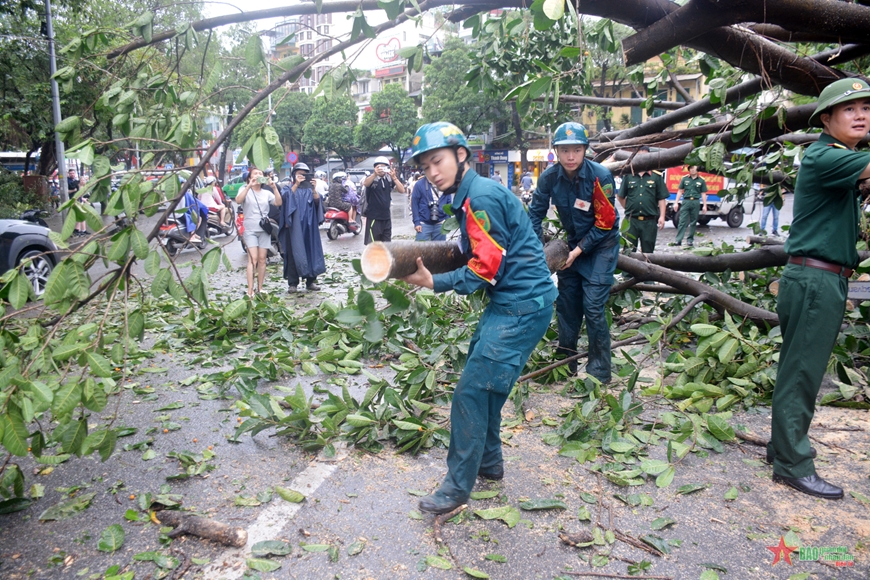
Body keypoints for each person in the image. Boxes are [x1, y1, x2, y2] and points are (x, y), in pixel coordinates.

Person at [401, 122, 557, 515]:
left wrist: (433, 281)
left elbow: (483, 270)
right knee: (484, 381)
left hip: (521, 307)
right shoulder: (470, 196)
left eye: (437, 161)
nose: (433, 173)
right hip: (514, 303)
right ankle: (489, 463)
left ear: (461, 155)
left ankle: (456, 490)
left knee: (471, 393)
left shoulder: (481, 197)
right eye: (425, 167)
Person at [766, 78, 870, 500]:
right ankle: (793, 464)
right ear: (826, 119)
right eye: (850, 109)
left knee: (795, 368)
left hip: (814, 277)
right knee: (803, 373)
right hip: (816, 280)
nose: (861, 115)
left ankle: (781, 448)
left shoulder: (842, 159)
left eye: (866, 108)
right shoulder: (826, 155)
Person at [528, 121, 620, 383]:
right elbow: (534, 214)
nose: (570, 156)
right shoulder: (549, 178)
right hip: (573, 246)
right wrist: (537, 251)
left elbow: (605, 224)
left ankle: (599, 374)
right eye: (565, 150)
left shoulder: (600, 177)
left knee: (592, 306)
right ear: (556, 151)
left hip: (601, 247)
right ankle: (565, 365)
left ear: (585, 151)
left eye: (576, 150)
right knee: (567, 305)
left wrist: (578, 251)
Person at [279, 162, 326, 293]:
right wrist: (297, 184)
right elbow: (284, 199)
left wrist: (314, 189)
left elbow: (318, 203)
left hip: (309, 227)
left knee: (311, 252)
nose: (302, 176)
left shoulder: (309, 190)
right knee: (294, 254)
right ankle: (293, 283)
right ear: (294, 175)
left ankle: (310, 281)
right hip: (293, 227)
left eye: (305, 174)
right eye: (299, 174)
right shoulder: (288, 188)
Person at [236, 167, 282, 297]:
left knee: (262, 259)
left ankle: (260, 288)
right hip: (250, 229)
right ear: (249, 177)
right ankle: (250, 290)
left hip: (264, 229)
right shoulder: (244, 189)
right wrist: (249, 186)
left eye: (260, 174)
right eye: (255, 174)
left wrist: (273, 187)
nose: (258, 175)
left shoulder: (266, 192)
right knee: (253, 259)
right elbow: (238, 201)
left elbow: (278, 202)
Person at [617, 148, 668, 253]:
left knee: (648, 253)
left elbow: (661, 198)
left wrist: (662, 216)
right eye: (640, 156)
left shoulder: (656, 177)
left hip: (649, 222)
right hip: (631, 222)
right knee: (628, 252)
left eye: (646, 156)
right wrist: (629, 208)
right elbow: (620, 196)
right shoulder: (628, 176)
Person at [361, 156, 405, 244]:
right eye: (379, 167)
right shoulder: (372, 179)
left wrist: (394, 178)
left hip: (386, 218)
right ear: (375, 168)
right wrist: (374, 174)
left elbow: (402, 190)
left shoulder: (388, 179)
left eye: (384, 167)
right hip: (374, 218)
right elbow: (365, 183)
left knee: (387, 245)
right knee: (374, 245)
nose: (381, 169)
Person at [672, 166, 708, 248]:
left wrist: (705, 205)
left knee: (693, 221)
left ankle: (690, 240)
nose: (692, 170)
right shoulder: (684, 179)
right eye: (690, 168)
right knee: (682, 221)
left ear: (697, 170)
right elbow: (680, 191)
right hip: (686, 201)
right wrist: (676, 202)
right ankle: (678, 239)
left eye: (694, 168)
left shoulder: (701, 180)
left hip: (695, 201)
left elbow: (703, 193)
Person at [410, 175, 452, 241]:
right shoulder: (419, 184)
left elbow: (449, 203)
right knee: (420, 249)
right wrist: (417, 222)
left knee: (440, 250)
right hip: (423, 223)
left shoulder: (446, 184)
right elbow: (414, 204)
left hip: (441, 223)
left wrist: (447, 221)